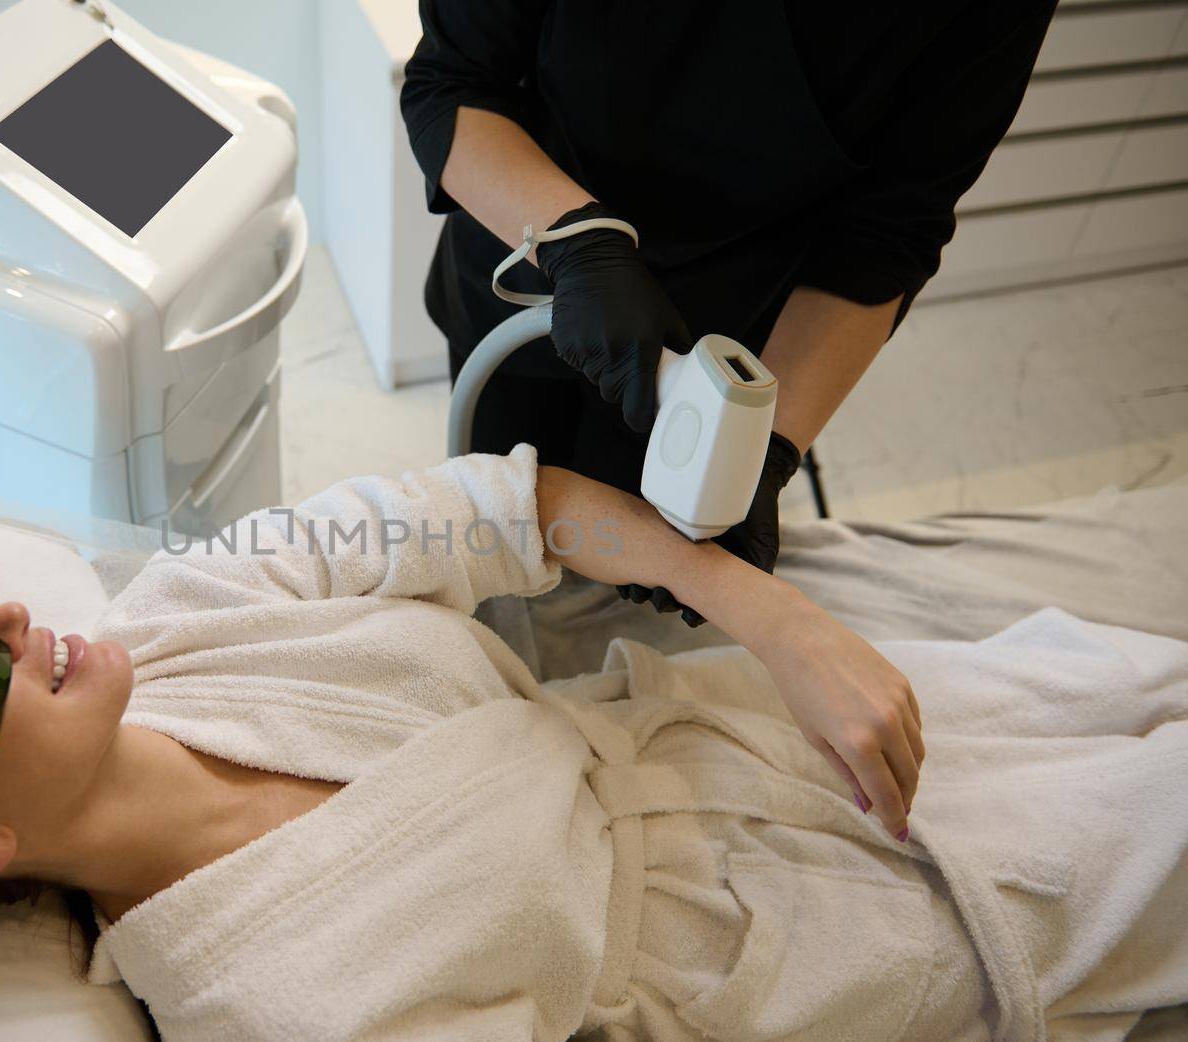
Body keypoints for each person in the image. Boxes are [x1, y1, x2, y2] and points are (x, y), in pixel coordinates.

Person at [0, 446, 1187, 1042]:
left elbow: (499, 508)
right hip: (804, 951)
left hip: (759, 719)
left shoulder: (190, 612)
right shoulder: (276, 1012)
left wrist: (770, 613)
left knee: (1129, 685)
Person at [399, 0, 1059, 621]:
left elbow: (890, 230)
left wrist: (767, 452)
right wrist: (577, 244)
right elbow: (453, 81)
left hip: (726, 327)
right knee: (502, 538)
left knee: (633, 582)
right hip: (529, 235)